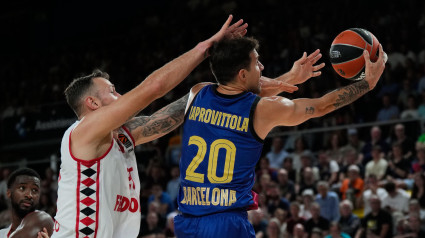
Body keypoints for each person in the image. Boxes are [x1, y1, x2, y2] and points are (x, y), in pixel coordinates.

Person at [52, 15, 249, 238]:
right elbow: (154, 87)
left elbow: (169, 116)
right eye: (112, 91)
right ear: (93, 103)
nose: (120, 95)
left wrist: (228, 88)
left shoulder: (119, 136)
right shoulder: (83, 131)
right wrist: (207, 47)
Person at [174, 36, 386, 237]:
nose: (262, 67)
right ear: (242, 74)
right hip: (226, 222)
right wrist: (367, 83)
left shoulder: (198, 93)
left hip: (187, 221)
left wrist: (290, 78)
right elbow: (322, 105)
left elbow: (234, 93)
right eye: (257, 63)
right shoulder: (263, 110)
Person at [0, 168, 53, 238]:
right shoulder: (2, 233)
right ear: (9, 193)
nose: (29, 195)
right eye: (22, 188)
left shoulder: (43, 219)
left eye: (34, 190)